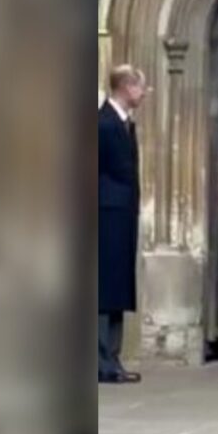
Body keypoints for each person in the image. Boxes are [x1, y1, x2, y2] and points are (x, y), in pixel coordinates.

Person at [98, 65, 148, 384]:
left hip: (121, 214)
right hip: (106, 214)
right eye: (141, 87)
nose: (144, 94)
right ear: (127, 87)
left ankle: (111, 358)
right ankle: (102, 360)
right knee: (104, 289)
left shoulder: (124, 123)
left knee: (117, 288)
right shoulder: (103, 123)